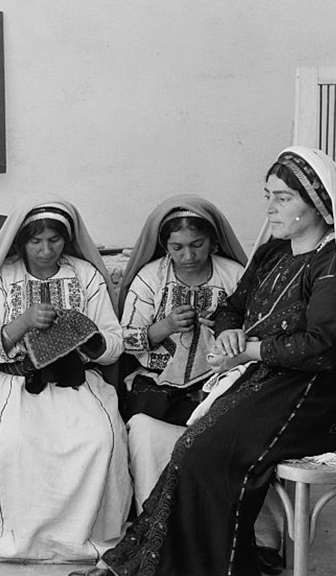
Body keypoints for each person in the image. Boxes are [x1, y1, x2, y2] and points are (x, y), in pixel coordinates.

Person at [85, 147, 336, 576]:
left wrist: (249, 350)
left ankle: (202, 565)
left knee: (202, 450)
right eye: (268, 195)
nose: (270, 208)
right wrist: (229, 330)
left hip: (307, 396)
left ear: (318, 201)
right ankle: (165, 561)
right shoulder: (272, 253)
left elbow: (322, 345)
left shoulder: (335, 260)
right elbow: (232, 307)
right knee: (193, 448)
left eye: (283, 198)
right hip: (259, 381)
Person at [0, 198, 131, 564]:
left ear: (66, 240)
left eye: (54, 240)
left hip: (78, 383)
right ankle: (14, 541)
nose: (45, 250)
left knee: (100, 438)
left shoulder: (85, 275)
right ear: (21, 242)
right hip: (16, 384)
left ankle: (89, 541)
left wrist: (87, 338)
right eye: (35, 241)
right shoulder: (4, 277)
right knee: (13, 442)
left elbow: (114, 342)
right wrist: (21, 324)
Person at [118, 195, 246, 508]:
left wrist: (222, 329)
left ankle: (208, 518)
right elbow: (124, 340)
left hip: (218, 384)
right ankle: (153, 515)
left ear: (213, 242)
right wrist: (165, 326)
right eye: (177, 247)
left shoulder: (234, 275)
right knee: (145, 429)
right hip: (157, 385)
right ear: (165, 246)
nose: (188, 255)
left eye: (197, 245)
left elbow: (255, 329)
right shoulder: (151, 278)